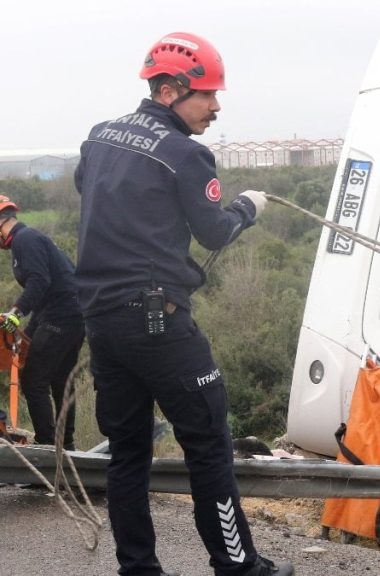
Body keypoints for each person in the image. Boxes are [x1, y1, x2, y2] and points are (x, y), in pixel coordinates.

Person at [74, 32, 292, 576]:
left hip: (102, 323)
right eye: (208, 95)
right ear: (171, 90)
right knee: (209, 445)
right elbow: (214, 232)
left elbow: (96, 192)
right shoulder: (185, 154)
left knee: (128, 454)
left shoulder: (100, 136)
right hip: (158, 324)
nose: (216, 108)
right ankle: (238, 566)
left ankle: (139, 569)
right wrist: (246, 207)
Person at [0, 196, 85, 449]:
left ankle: (47, 445)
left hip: (62, 314)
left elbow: (40, 281)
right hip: (68, 313)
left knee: (33, 379)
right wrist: (29, 329)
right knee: (61, 380)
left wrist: (16, 311)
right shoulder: (31, 239)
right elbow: (50, 288)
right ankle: (65, 445)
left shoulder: (25, 240)